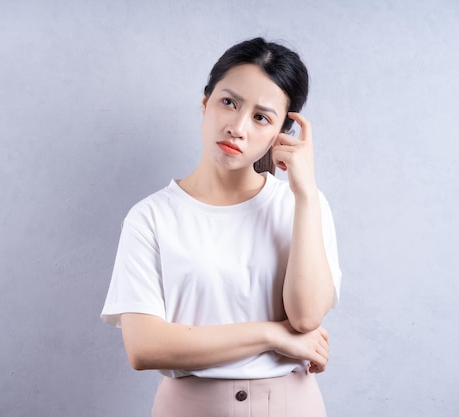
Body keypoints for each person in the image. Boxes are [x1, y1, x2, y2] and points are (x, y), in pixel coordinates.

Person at [101, 37, 342, 417]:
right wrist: (270, 334)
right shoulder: (150, 217)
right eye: (229, 102)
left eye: (261, 117)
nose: (237, 127)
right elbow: (145, 348)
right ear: (205, 103)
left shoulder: (302, 206)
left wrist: (306, 195)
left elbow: (307, 318)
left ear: (281, 135)